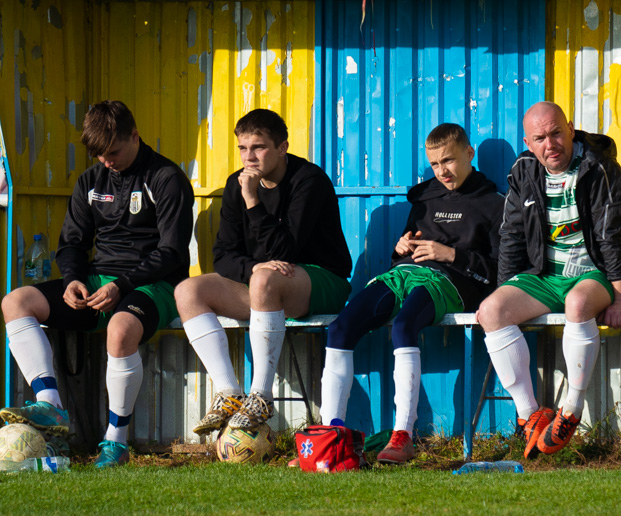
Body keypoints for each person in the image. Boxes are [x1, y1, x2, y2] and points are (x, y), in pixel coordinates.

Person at [0, 100, 194, 467]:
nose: (107, 162)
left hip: (155, 284)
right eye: (100, 156)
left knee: (120, 330)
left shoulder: (166, 178)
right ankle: (52, 408)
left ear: (134, 136)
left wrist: (121, 284)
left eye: (113, 153)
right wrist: (73, 280)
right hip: (99, 282)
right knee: (16, 301)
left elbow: (171, 252)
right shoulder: (90, 181)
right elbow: (71, 243)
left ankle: (115, 443)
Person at [476, 101, 621, 459]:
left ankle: (570, 411)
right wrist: (506, 290)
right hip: (546, 274)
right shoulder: (524, 171)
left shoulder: (600, 168)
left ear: (571, 129)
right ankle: (529, 417)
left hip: (594, 272)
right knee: (491, 311)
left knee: (576, 304)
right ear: (528, 142)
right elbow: (511, 234)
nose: (550, 144)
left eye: (557, 133)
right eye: (540, 138)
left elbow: (614, 236)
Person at [317, 123, 504, 463]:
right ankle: (330, 436)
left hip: (448, 283)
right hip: (404, 274)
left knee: (404, 327)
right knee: (340, 328)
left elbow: (499, 272)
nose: (442, 171)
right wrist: (401, 246)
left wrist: (451, 255)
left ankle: (403, 435)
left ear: (469, 153)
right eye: (434, 164)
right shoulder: (424, 196)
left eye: (448, 160)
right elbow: (407, 244)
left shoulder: (494, 204)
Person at [176, 109, 352, 435]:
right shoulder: (236, 183)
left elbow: (286, 251)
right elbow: (223, 257)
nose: (249, 157)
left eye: (258, 147)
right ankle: (228, 392)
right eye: (242, 148)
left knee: (264, 280)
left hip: (323, 280)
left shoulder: (308, 180)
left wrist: (252, 200)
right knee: (188, 290)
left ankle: (260, 395)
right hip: (265, 285)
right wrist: (254, 266)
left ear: (282, 147)